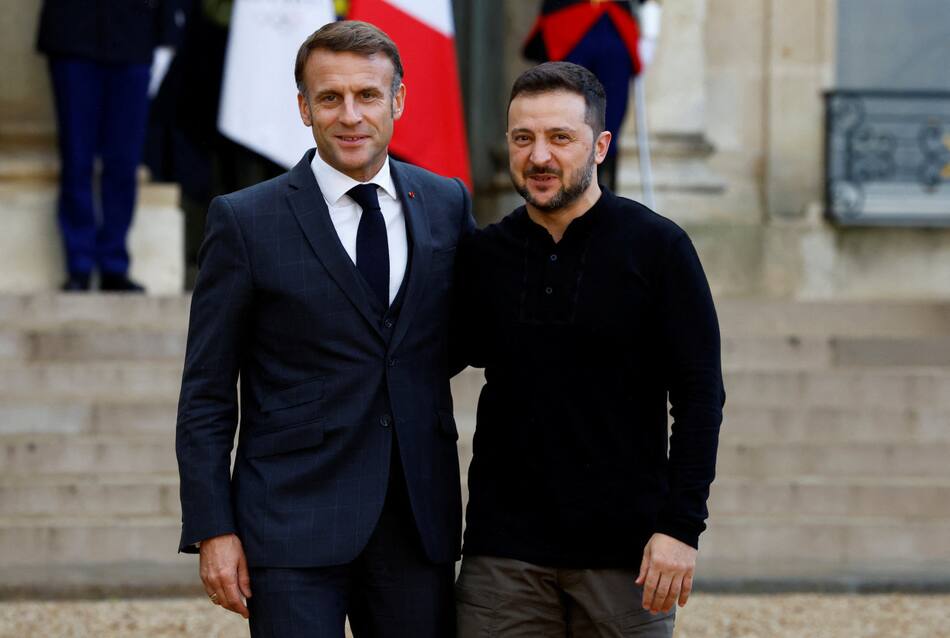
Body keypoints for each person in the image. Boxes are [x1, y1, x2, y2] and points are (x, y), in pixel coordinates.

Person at [175, 20, 473, 638]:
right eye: (330, 97)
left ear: (398, 101)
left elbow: (462, 336)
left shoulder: (447, 202)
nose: (350, 115)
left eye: (367, 95)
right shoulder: (244, 219)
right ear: (304, 108)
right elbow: (206, 392)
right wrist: (212, 527)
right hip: (289, 519)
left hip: (416, 520)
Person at [453, 62, 724, 637]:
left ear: (600, 145)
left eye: (560, 138)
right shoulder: (483, 256)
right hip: (503, 561)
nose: (540, 156)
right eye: (523, 138)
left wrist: (681, 528)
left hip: (626, 561)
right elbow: (423, 360)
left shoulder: (659, 248)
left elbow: (700, 398)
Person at [36, 0, 188, 292]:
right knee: (76, 159)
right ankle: (78, 264)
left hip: (134, 36)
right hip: (73, 34)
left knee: (123, 162)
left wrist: (168, 35)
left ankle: (113, 263)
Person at [523, 0, 647, 191]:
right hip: (567, 18)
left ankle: (604, 203)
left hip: (614, 19)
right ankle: (559, 197)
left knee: (608, 127)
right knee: (561, 120)